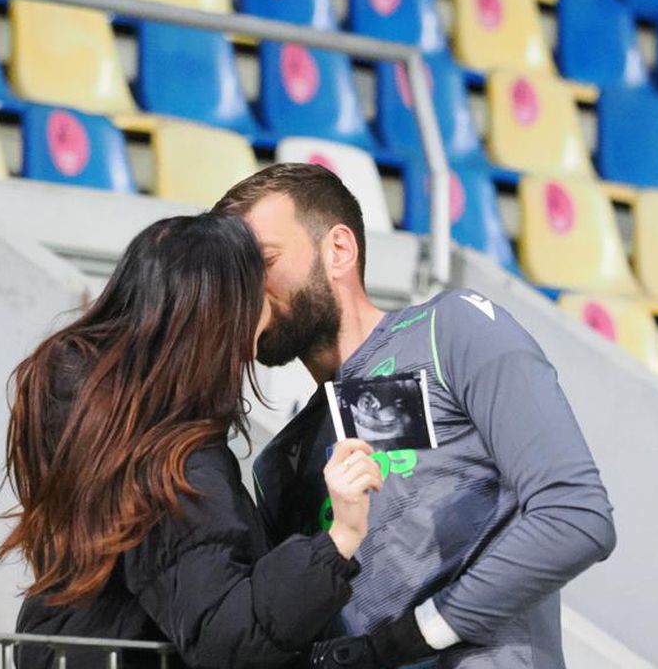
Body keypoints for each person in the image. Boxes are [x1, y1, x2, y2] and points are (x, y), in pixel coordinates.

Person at [214, 164, 618, 669]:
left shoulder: (449, 330)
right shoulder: (280, 463)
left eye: (264, 261)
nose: (246, 290)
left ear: (338, 250)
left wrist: (412, 636)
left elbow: (575, 515)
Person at [0, 214, 385, 668]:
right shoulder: (174, 464)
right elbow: (228, 635)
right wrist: (339, 539)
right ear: (224, 320)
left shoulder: (94, 420)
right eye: (256, 294)